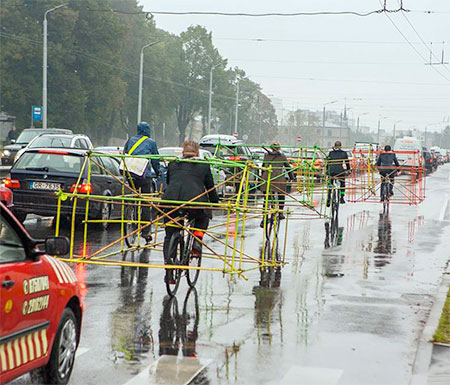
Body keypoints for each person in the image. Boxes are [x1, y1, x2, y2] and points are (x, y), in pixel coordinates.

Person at [162, 141, 219, 265]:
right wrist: (215, 202)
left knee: (170, 233)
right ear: (197, 153)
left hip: (171, 202)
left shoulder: (172, 164)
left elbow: (169, 182)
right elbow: (210, 187)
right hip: (195, 202)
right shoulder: (203, 165)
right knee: (202, 219)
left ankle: (168, 265)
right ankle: (197, 241)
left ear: (182, 152)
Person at [123, 121, 160, 243]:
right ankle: (145, 231)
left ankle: (130, 209)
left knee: (133, 195)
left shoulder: (130, 140)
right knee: (145, 202)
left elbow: (124, 154)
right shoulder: (151, 142)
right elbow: (155, 160)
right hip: (144, 175)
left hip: (130, 173)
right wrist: (158, 171)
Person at [260, 141, 295, 224]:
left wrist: (261, 178)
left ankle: (264, 218)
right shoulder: (282, 156)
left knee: (266, 199)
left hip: (266, 179)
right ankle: (280, 213)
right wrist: (292, 177)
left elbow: (263, 167)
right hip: (278, 179)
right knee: (281, 194)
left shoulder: (266, 155)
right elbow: (288, 168)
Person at [326, 141, 351, 206]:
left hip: (331, 171)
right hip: (340, 171)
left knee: (330, 184)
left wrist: (327, 171)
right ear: (340, 146)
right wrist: (348, 170)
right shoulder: (344, 153)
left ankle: (328, 198)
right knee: (342, 183)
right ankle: (342, 197)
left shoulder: (331, 153)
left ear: (334, 146)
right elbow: (347, 163)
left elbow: (328, 163)